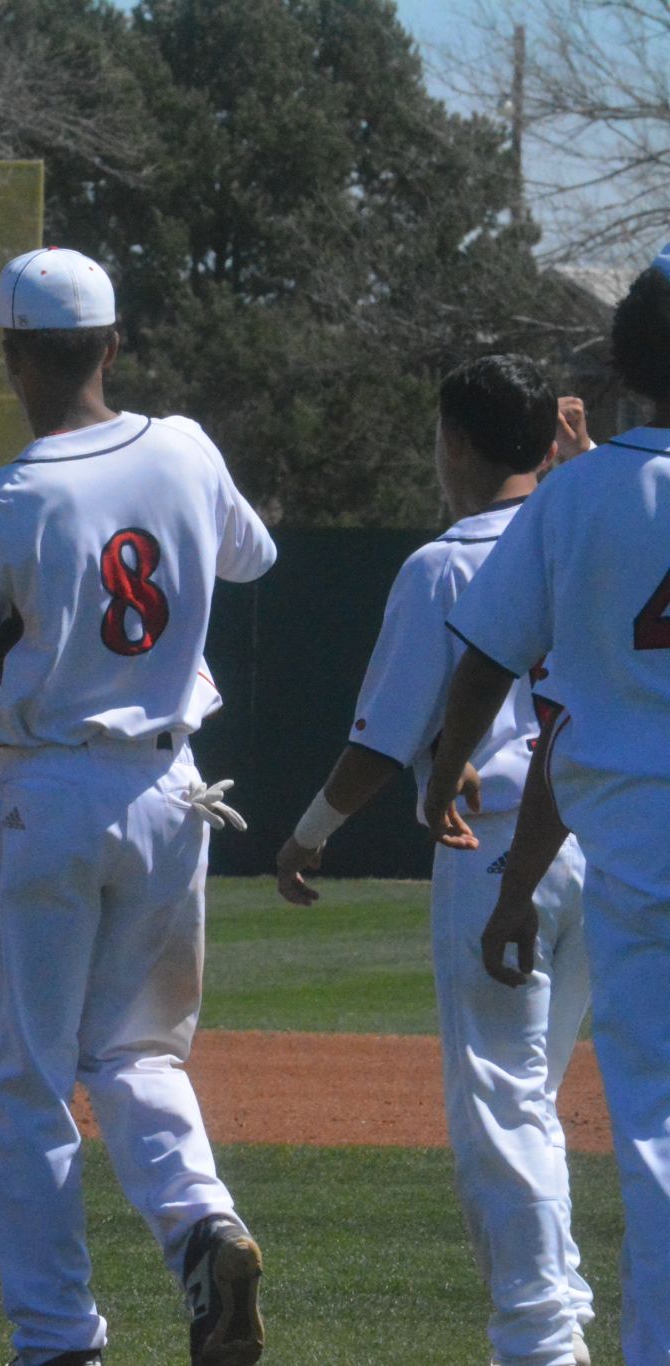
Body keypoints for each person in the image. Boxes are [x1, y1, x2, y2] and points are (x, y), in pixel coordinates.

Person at [0, 247, 275, 1366]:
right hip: (172, 788)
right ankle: (199, 1224)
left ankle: (55, 1335)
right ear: (112, 345)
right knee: (138, 1055)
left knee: (26, 1082)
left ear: (13, 357)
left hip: (49, 790)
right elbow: (248, 555)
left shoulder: (4, 502)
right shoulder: (181, 448)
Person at [275, 355, 594, 1366]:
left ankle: (541, 1340)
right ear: (549, 437)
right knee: (532, 1100)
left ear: (452, 441)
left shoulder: (445, 563)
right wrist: (577, 470)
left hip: (500, 844)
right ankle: (555, 1315)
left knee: (502, 1103)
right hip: (604, 837)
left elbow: (381, 741)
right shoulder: (593, 527)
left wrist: (308, 831)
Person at [425, 245, 670, 1366]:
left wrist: (444, 774)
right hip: (622, 864)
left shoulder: (574, 495)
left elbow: (492, 662)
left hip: (640, 870)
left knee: (657, 1143)